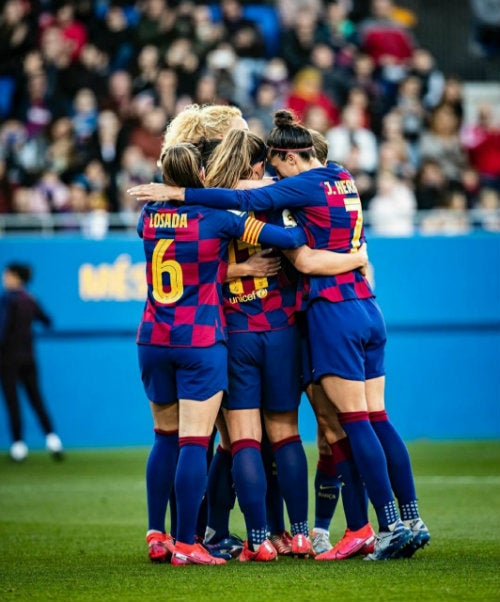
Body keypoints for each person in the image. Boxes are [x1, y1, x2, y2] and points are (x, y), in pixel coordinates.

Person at [150, 109, 431, 561]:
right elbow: (291, 239)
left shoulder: (180, 216)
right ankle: (343, 527)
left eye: (276, 162)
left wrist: (180, 193)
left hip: (243, 327)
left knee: (229, 440)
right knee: (329, 427)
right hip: (328, 316)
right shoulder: (340, 177)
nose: (270, 169)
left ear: (289, 157)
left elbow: (269, 233)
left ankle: (234, 535)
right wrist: (356, 257)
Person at [136, 141, 308, 566]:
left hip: (152, 337)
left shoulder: (147, 216)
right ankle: (189, 543)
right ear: (200, 175)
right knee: (197, 442)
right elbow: (286, 238)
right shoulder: (217, 218)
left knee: (164, 439)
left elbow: (185, 255)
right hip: (199, 339)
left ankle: (158, 533)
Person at [0, 263, 64, 462]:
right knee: (36, 399)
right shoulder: (29, 299)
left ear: (16, 277)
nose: (4, 278)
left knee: (13, 401)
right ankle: (53, 441)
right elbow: (47, 320)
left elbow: (2, 328)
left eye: (7, 275)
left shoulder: (7, 300)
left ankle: (19, 446)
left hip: (8, 359)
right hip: (29, 358)